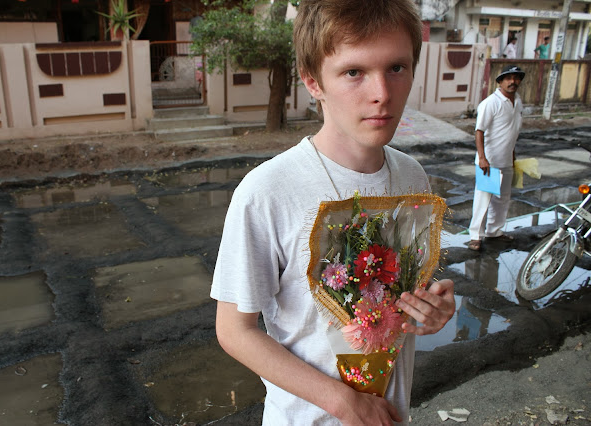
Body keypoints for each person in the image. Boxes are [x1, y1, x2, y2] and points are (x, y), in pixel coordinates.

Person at [210, 1, 456, 424]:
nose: (382, 93)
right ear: (313, 82)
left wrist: (431, 309)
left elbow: (393, 295)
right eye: (354, 72)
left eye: (396, 67)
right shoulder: (267, 190)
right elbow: (235, 330)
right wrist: (343, 402)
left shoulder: (412, 176)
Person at [467, 65, 524, 251]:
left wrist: (513, 157)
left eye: (516, 78)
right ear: (500, 82)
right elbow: (479, 131)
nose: (513, 81)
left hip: (506, 160)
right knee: (484, 199)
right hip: (489, 162)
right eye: (508, 78)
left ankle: (494, 231)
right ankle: (476, 236)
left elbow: (511, 132)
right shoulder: (491, 103)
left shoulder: (518, 102)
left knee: (503, 199)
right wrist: (482, 158)